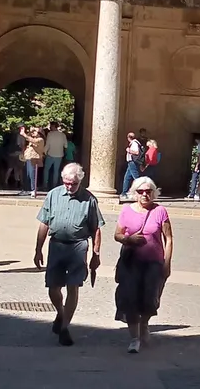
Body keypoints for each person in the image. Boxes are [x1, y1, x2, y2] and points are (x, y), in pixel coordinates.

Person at [34, 162, 104, 348]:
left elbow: (96, 228)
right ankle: (60, 311)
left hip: (78, 246)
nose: (69, 186)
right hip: (56, 245)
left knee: (73, 286)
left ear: (80, 180)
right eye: (66, 182)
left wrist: (96, 254)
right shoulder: (53, 195)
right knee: (53, 287)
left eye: (73, 183)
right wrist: (38, 249)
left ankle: (65, 327)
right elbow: (44, 223)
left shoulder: (89, 199)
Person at [114, 176, 173, 354]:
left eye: (148, 191)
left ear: (154, 193)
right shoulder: (126, 211)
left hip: (153, 262)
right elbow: (117, 234)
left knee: (151, 298)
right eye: (141, 191)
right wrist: (128, 239)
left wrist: (167, 263)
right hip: (130, 262)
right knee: (130, 298)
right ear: (135, 193)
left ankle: (145, 323)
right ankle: (134, 338)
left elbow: (168, 238)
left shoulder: (160, 211)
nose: (145, 195)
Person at [43, 121, 68, 191]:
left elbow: (47, 144)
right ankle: (54, 185)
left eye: (50, 126)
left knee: (46, 170)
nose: (50, 127)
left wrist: (44, 152)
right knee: (56, 171)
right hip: (59, 155)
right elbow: (66, 145)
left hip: (50, 154)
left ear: (53, 126)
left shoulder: (50, 134)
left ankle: (45, 184)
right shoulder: (62, 135)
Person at [22, 126, 45, 198]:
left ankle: (33, 190)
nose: (33, 133)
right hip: (29, 158)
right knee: (27, 174)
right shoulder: (32, 139)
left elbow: (33, 141)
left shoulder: (40, 140)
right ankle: (27, 189)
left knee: (32, 175)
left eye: (35, 131)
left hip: (35, 159)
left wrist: (24, 134)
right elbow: (30, 137)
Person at [121, 131, 142, 198]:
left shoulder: (134, 143)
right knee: (127, 178)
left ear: (128, 138)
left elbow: (136, 152)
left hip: (132, 162)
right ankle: (124, 193)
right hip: (130, 163)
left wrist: (129, 150)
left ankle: (142, 190)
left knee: (136, 178)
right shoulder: (135, 143)